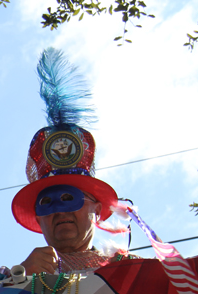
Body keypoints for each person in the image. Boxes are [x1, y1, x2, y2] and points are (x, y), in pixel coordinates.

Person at [10, 48, 134, 276]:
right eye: (47, 203)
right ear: (39, 219)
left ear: (97, 209)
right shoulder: (13, 279)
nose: (59, 211)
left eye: (69, 199)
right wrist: (17, 280)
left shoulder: (130, 273)